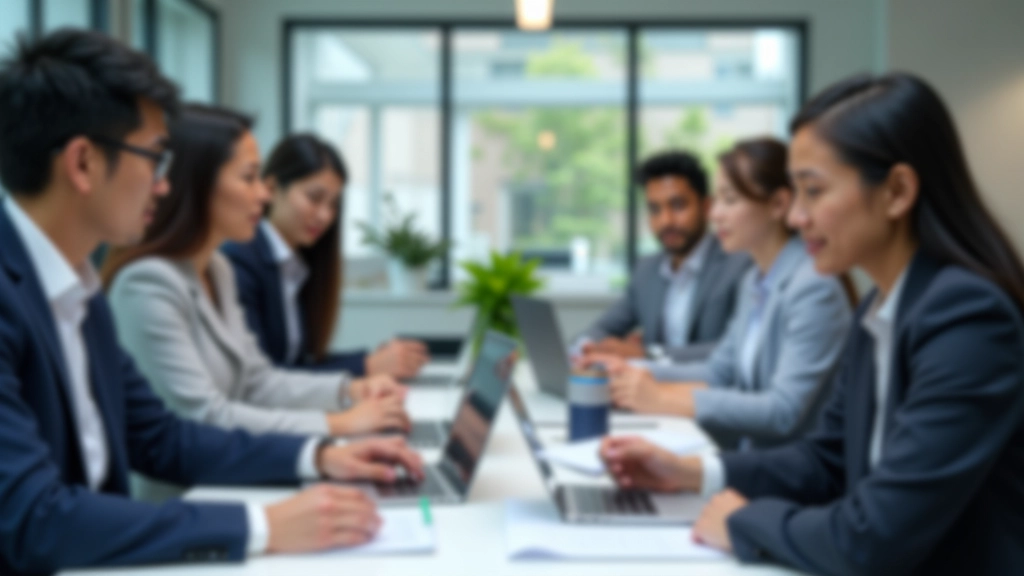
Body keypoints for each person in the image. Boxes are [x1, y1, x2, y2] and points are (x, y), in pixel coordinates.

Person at [0, 29, 423, 573]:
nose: (162, 185)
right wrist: (263, 526)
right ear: (82, 164)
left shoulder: (79, 289)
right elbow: (36, 520)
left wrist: (319, 457)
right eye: (153, 160)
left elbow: (163, 437)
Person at [600, 72, 1024, 574]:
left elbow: (873, 536)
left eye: (813, 191)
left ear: (896, 191)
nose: (797, 217)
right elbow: (825, 462)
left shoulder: (968, 319)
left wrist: (745, 522)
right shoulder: (879, 309)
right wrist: (689, 471)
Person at [103, 106, 411, 441]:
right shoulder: (148, 283)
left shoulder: (217, 270)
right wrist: (339, 424)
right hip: (191, 488)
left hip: (236, 471)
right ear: (199, 184)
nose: (262, 194)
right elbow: (203, 416)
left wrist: (350, 392)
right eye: (249, 178)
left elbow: (258, 381)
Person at [587, 138, 853, 449]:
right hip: (754, 457)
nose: (716, 215)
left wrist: (661, 397)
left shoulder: (812, 287)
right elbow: (719, 371)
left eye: (729, 200)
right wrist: (633, 370)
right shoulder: (754, 280)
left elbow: (783, 411)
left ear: (778, 205)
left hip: (793, 474)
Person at [221, 134, 428, 380]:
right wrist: (366, 366)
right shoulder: (241, 260)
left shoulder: (296, 264)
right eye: (314, 198)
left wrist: (374, 361)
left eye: (333, 205)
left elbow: (300, 363)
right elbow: (266, 380)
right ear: (273, 189)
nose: (324, 216)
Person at [575, 150, 750, 364]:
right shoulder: (646, 269)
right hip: (645, 392)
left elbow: (735, 348)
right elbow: (604, 327)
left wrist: (649, 355)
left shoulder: (739, 264)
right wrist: (585, 348)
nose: (665, 220)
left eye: (677, 205)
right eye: (654, 209)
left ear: (706, 207)